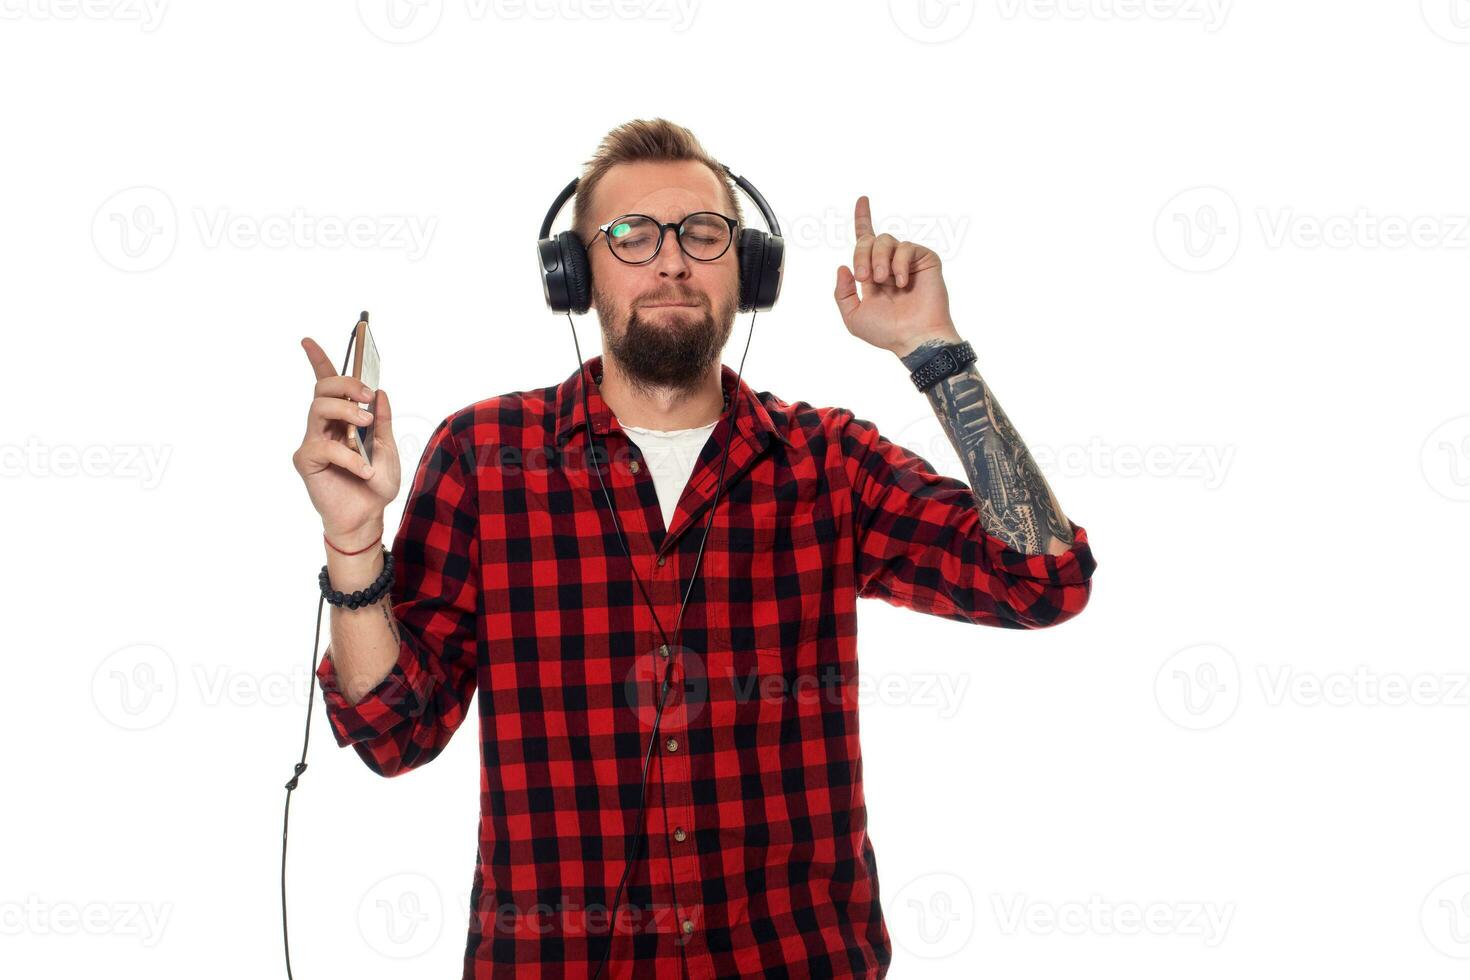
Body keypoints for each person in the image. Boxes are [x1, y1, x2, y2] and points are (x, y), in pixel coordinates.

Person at [291, 117, 1097, 979]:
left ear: (747, 271)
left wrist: (934, 353)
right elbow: (392, 733)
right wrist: (353, 539)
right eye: (630, 235)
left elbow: (1040, 580)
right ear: (576, 275)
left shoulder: (827, 461)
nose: (670, 260)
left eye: (702, 234)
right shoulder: (484, 456)